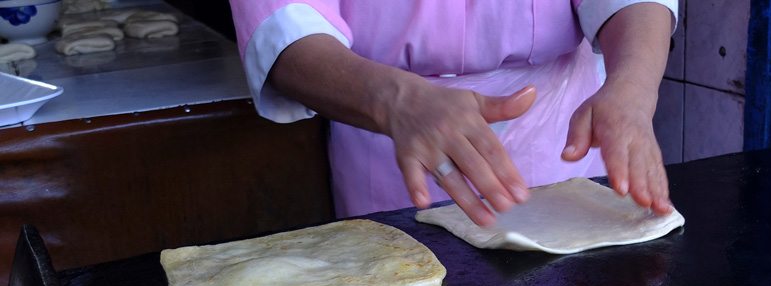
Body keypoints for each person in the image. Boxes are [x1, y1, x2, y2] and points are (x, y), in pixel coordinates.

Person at [228, 1, 677, 226]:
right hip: (394, 152)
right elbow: (284, 27)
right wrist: (396, 101)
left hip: (569, 145)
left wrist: (633, 90)